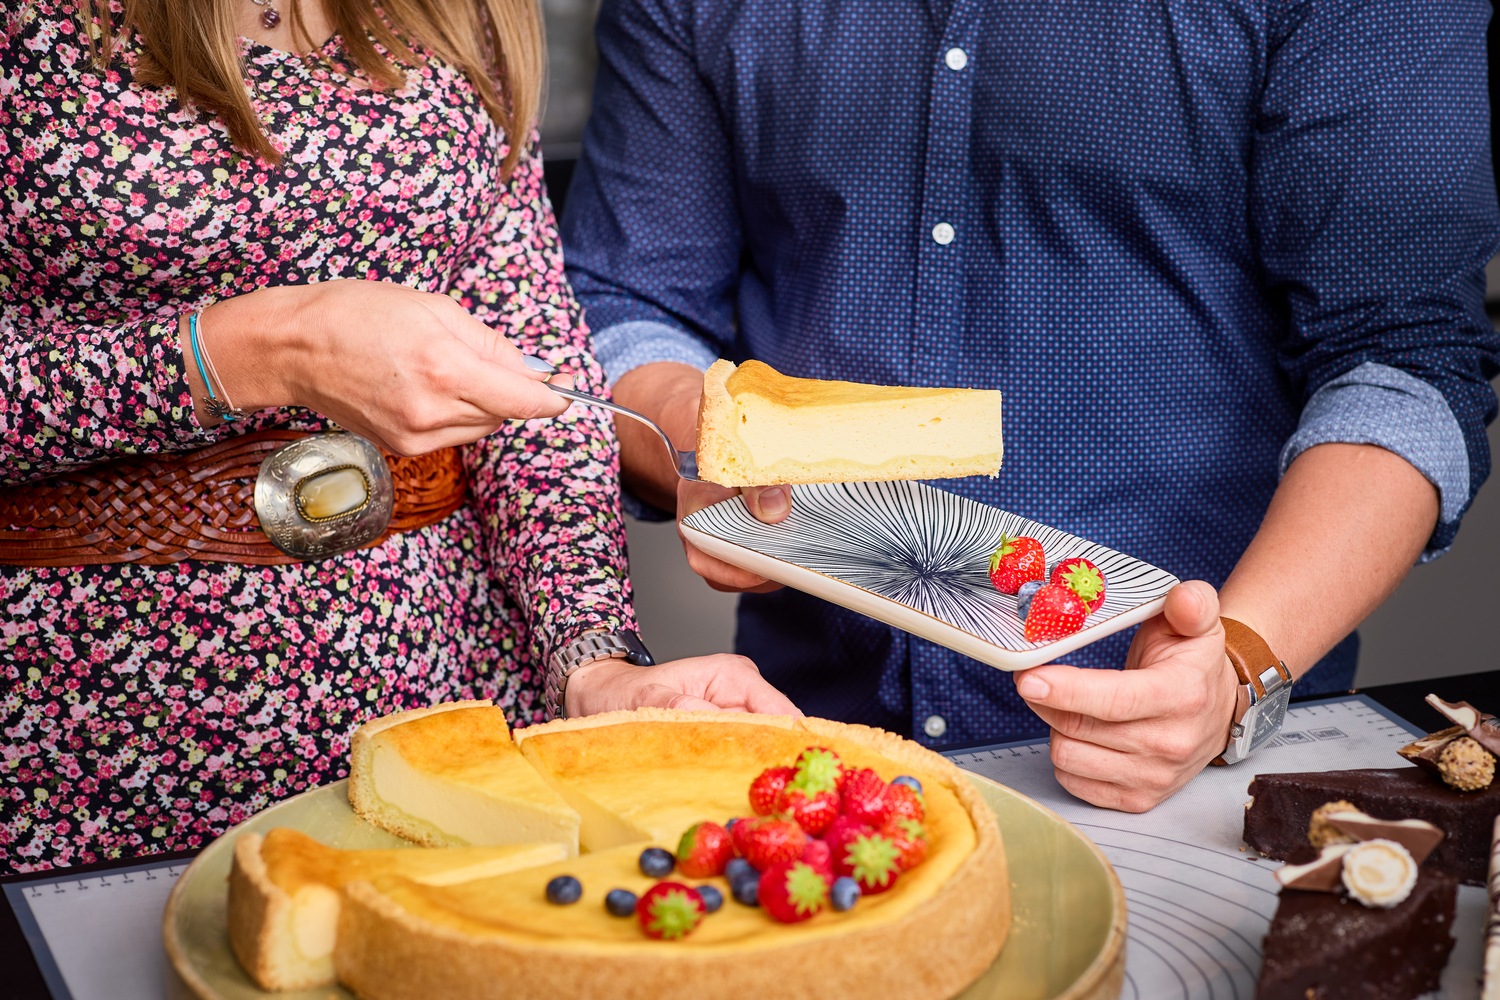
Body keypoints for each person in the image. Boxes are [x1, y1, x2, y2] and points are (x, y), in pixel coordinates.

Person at [561, 0, 1500, 810]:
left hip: (1196, 772)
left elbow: (1401, 362)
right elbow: (622, 310)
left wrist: (1233, 669)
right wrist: (711, 438)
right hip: (803, 741)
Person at [0, 0, 793, 875]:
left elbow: (537, 382)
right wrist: (249, 351)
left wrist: (594, 659)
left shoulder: (464, 14)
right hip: (75, 743)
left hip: (448, 736)